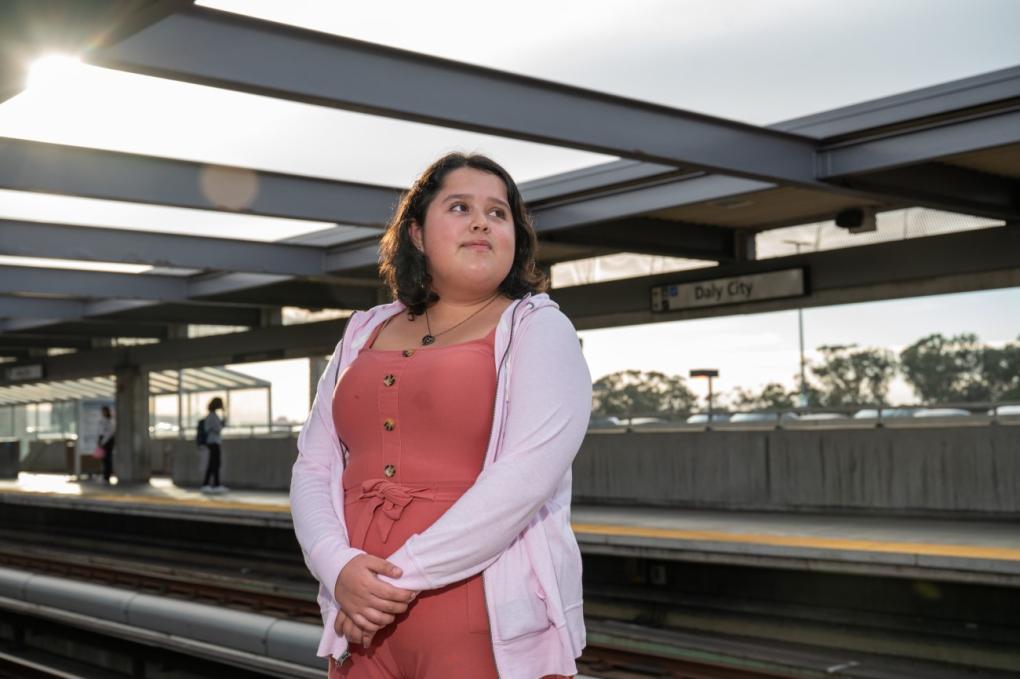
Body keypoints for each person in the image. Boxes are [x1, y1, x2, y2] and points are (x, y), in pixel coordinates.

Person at [291, 153, 591, 679]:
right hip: (361, 620)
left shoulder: (538, 328)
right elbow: (313, 467)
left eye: (499, 213)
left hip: (479, 617)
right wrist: (337, 567)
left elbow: (526, 479)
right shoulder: (363, 331)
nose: (482, 221)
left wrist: (392, 582)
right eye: (460, 206)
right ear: (417, 234)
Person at [201, 397, 228, 493]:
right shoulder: (212, 416)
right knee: (214, 464)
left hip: (213, 442)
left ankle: (212, 484)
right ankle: (210, 484)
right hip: (213, 442)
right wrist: (222, 423)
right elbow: (217, 429)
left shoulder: (212, 415)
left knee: (214, 464)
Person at [97, 405, 115, 483]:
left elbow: (109, 433)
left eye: (104, 411)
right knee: (104, 459)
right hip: (103, 440)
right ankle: (105, 475)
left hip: (108, 442)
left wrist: (103, 442)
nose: (102, 413)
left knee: (107, 459)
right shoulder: (103, 420)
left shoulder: (110, 421)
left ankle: (107, 476)